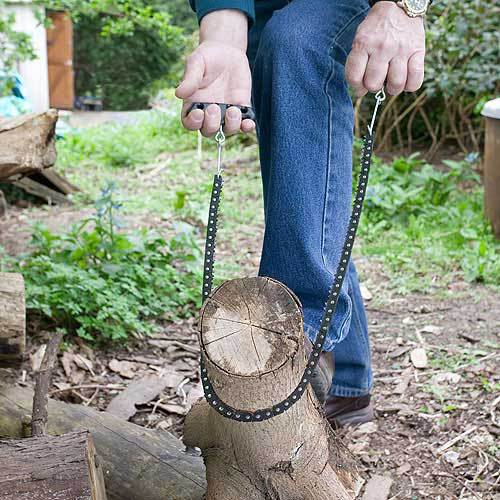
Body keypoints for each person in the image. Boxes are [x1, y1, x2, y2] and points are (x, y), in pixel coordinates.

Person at [176, 0, 429, 427]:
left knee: (296, 40)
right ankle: (347, 385)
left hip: (331, 15)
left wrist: (404, 6)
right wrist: (224, 33)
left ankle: (296, 335)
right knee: (301, 194)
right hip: (261, 12)